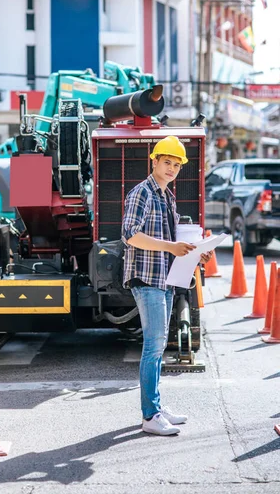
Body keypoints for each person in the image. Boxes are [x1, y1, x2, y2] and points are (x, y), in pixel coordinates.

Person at [121, 135, 212, 436]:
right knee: (154, 345)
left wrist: (199, 251)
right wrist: (171, 247)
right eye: (167, 162)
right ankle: (150, 416)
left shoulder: (167, 197)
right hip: (146, 278)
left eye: (177, 164)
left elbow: (178, 242)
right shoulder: (142, 193)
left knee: (158, 346)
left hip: (166, 278)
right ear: (155, 161)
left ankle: (156, 407)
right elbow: (130, 236)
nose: (172, 168)